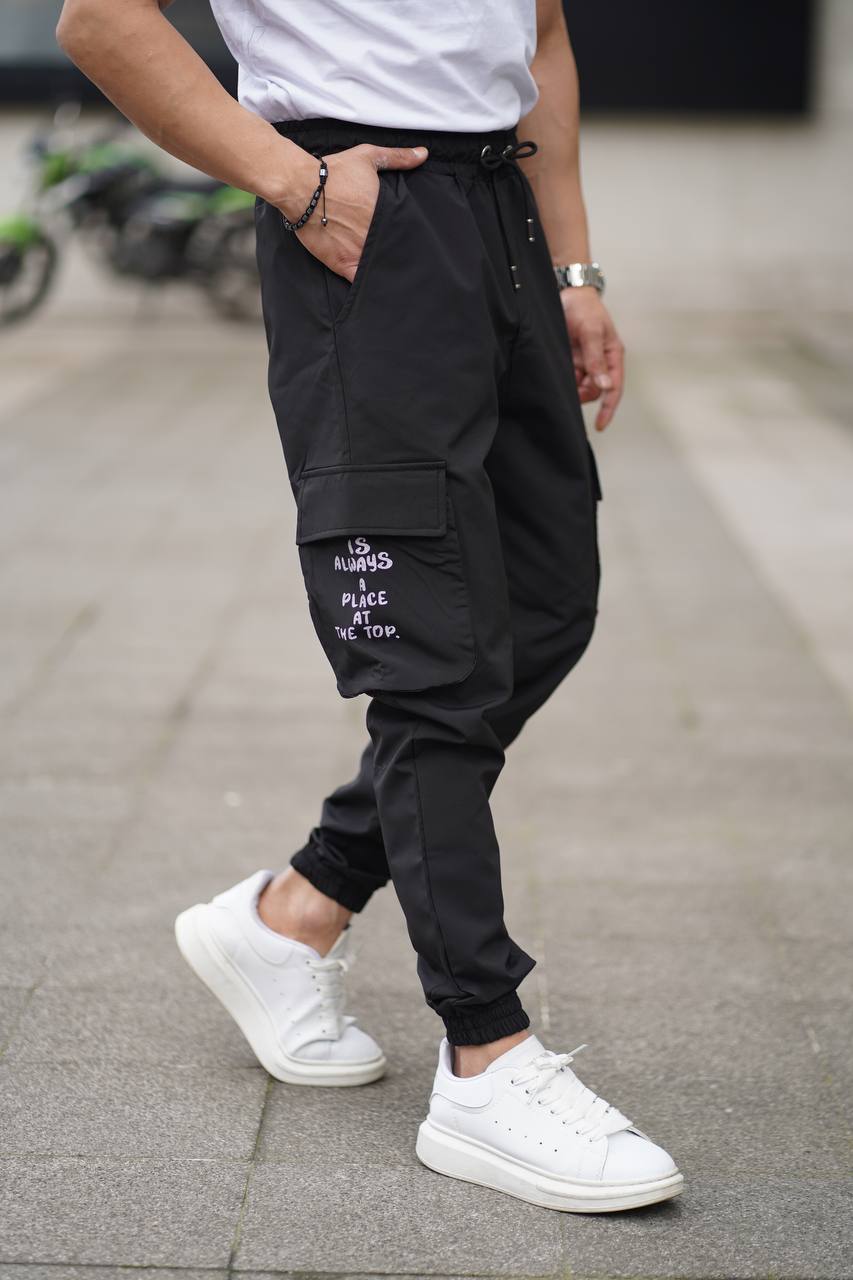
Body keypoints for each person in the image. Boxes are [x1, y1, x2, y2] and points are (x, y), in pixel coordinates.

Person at [58, 0, 682, 1212]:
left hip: (501, 208)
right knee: (430, 650)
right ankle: (485, 1053)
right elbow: (98, 18)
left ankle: (299, 906)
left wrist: (571, 270)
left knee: (547, 603)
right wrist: (294, 184)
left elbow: (542, 35)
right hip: (363, 209)